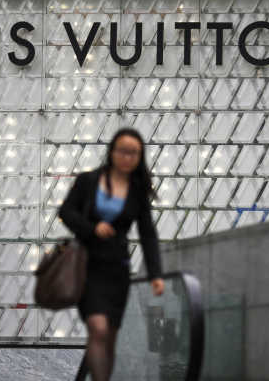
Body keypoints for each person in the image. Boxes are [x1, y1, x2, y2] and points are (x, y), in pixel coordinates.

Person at [58, 127, 165, 381]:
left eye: (134, 153)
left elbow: (147, 234)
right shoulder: (88, 181)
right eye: (122, 151)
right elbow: (66, 212)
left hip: (117, 271)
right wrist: (92, 228)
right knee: (98, 328)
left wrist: (155, 274)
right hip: (88, 266)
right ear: (112, 152)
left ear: (139, 157)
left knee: (109, 337)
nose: (127, 157)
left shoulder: (137, 192)